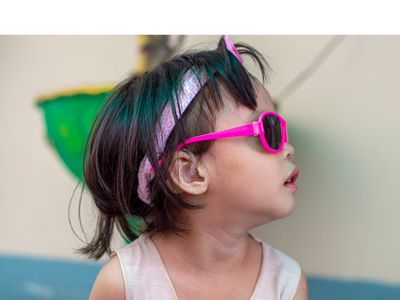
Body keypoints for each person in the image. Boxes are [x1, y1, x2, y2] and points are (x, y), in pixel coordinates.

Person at [81, 35, 308, 299]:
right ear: (190, 172)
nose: (288, 147)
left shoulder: (286, 282)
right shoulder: (124, 284)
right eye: (268, 130)